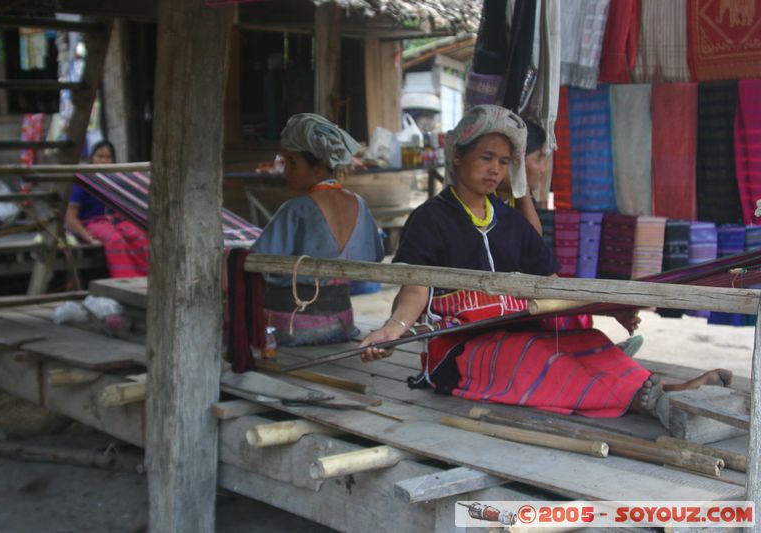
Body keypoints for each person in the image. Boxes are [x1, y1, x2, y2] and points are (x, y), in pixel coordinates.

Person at [360, 104, 729, 422]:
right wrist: (394, 329)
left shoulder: (510, 222)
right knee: (537, 354)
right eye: (486, 158)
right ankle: (637, 403)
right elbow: (414, 289)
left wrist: (610, 308)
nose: (495, 170)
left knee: (589, 339)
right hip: (455, 351)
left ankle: (668, 390)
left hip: (514, 331)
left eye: (503, 162)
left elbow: (552, 284)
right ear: (458, 155)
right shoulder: (430, 219)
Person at [252, 113, 384, 346]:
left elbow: (256, 262)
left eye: (292, 163)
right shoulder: (359, 205)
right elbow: (375, 256)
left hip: (291, 328)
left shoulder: (297, 209)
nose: (286, 172)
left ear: (320, 167)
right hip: (342, 324)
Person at [64, 140, 150, 278]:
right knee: (116, 241)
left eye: (108, 157)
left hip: (115, 221)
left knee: (140, 236)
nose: (104, 161)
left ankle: (146, 278)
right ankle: (125, 280)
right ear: (92, 157)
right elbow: (70, 217)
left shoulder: (116, 180)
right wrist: (88, 238)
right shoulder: (83, 180)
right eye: (100, 156)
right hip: (91, 223)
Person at [495, 119, 546, 235]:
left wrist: (522, 189)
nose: (543, 169)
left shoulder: (514, 199)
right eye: (538, 160)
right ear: (516, 162)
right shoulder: (485, 204)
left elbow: (536, 245)